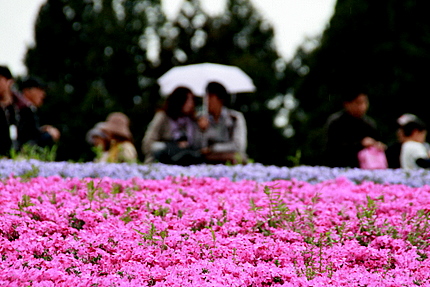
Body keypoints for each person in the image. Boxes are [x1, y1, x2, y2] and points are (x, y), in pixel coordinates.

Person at [324, 88, 385, 168]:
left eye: (365, 102)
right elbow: (333, 149)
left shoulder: (369, 124)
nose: (363, 106)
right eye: (358, 103)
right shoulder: (336, 123)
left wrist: (378, 146)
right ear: (347, 104)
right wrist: (360, 144)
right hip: (340, 168)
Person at [142, 87, 203, 165]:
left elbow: (200, 147)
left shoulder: (193, 120)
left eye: (192, 100)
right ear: (179, 101)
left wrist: (202, 129)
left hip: (187, 162)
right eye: (188, 100)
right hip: (162, 161)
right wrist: (172, 146)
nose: (191, 104)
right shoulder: (163, 117)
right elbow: (147, 143)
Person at [197, 82, 248, 164]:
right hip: (207, 160)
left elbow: (239, 146)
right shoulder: (201, 118)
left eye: (211, 97)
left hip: (229, 158)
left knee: (238, 157)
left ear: (220, 99)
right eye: (206, 98)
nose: (207, 101)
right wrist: (201, 130)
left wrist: (213, 148)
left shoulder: (235, 118)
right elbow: (198, 147)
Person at [16, 77, 60, 149]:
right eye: (40, 90)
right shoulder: (22, 109)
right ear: (28, 91)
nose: (43, 94)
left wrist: (43, 129)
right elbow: (26, 138)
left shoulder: (29, 109)